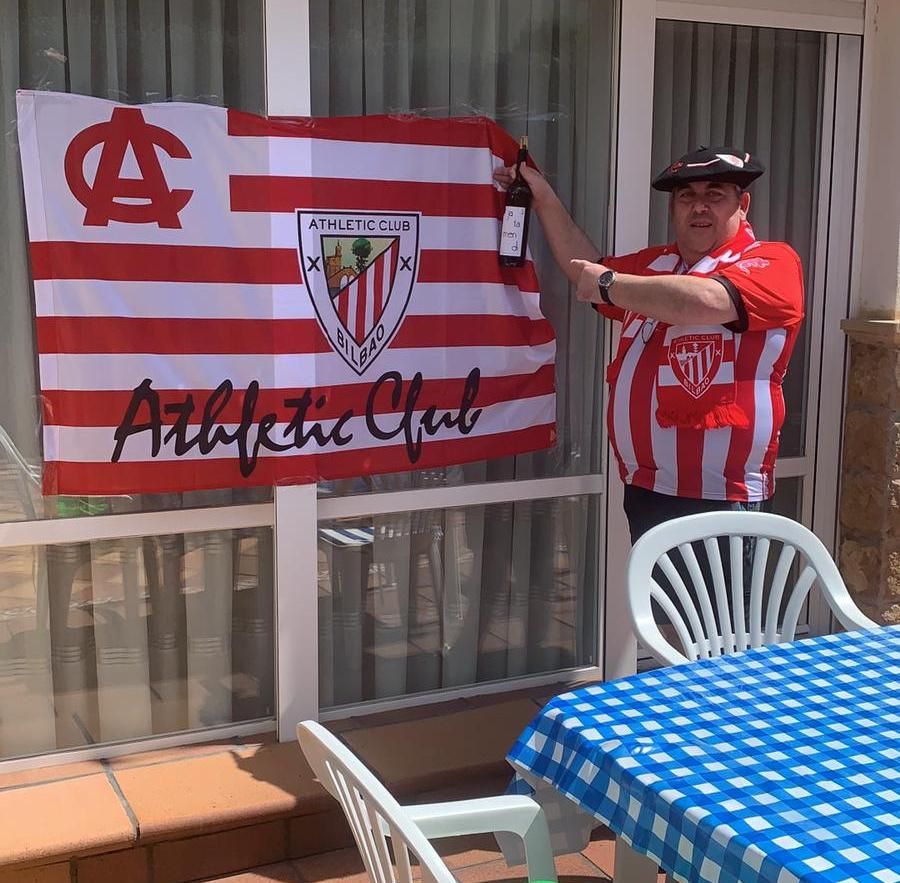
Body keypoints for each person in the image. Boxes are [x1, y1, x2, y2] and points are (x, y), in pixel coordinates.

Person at [494, 146, 804, 544]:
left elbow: (699, 301)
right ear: (673, 209)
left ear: (742, 204)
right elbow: (587, 268)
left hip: (722, 500)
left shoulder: (771, 261)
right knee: (659, 608)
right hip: (646, 490)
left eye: (715, 194)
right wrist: (544, 201)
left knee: (718, 608)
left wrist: (609, 285)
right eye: (686, 197)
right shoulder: (657, 266)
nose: (699, 207)